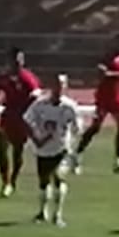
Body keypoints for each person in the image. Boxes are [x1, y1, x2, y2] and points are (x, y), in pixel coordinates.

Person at [0, 47, 41, 197]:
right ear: (10, 61)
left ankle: (13, 181)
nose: (19, 63)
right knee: (2, 151)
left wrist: (29, 113)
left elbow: (36, 96)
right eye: (16, 60)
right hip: (7, 118)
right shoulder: (3, 77)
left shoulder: (28, 78)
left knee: (17, 154)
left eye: (21, 60)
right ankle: (5, 182)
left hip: (22, 120)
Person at [23, 75, 82, 227]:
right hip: (43, 149)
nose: (59, 88)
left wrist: (73, 149)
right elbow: (27, 120)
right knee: (43, 182)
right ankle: (42, 212)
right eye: (56, 85)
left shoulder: (70, 107)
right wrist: (35, 138)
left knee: (58, 177)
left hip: (61, 148)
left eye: (62, 85)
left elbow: (77, 128)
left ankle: (58, 214)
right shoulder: (40, 104)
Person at [74, 34, 119, 175]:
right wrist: (117, 75)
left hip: (116, 98)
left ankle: (118, 160)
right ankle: (77, 155)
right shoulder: (106, 57)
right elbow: (101, 73)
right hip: (104, 98)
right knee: (95, 128)